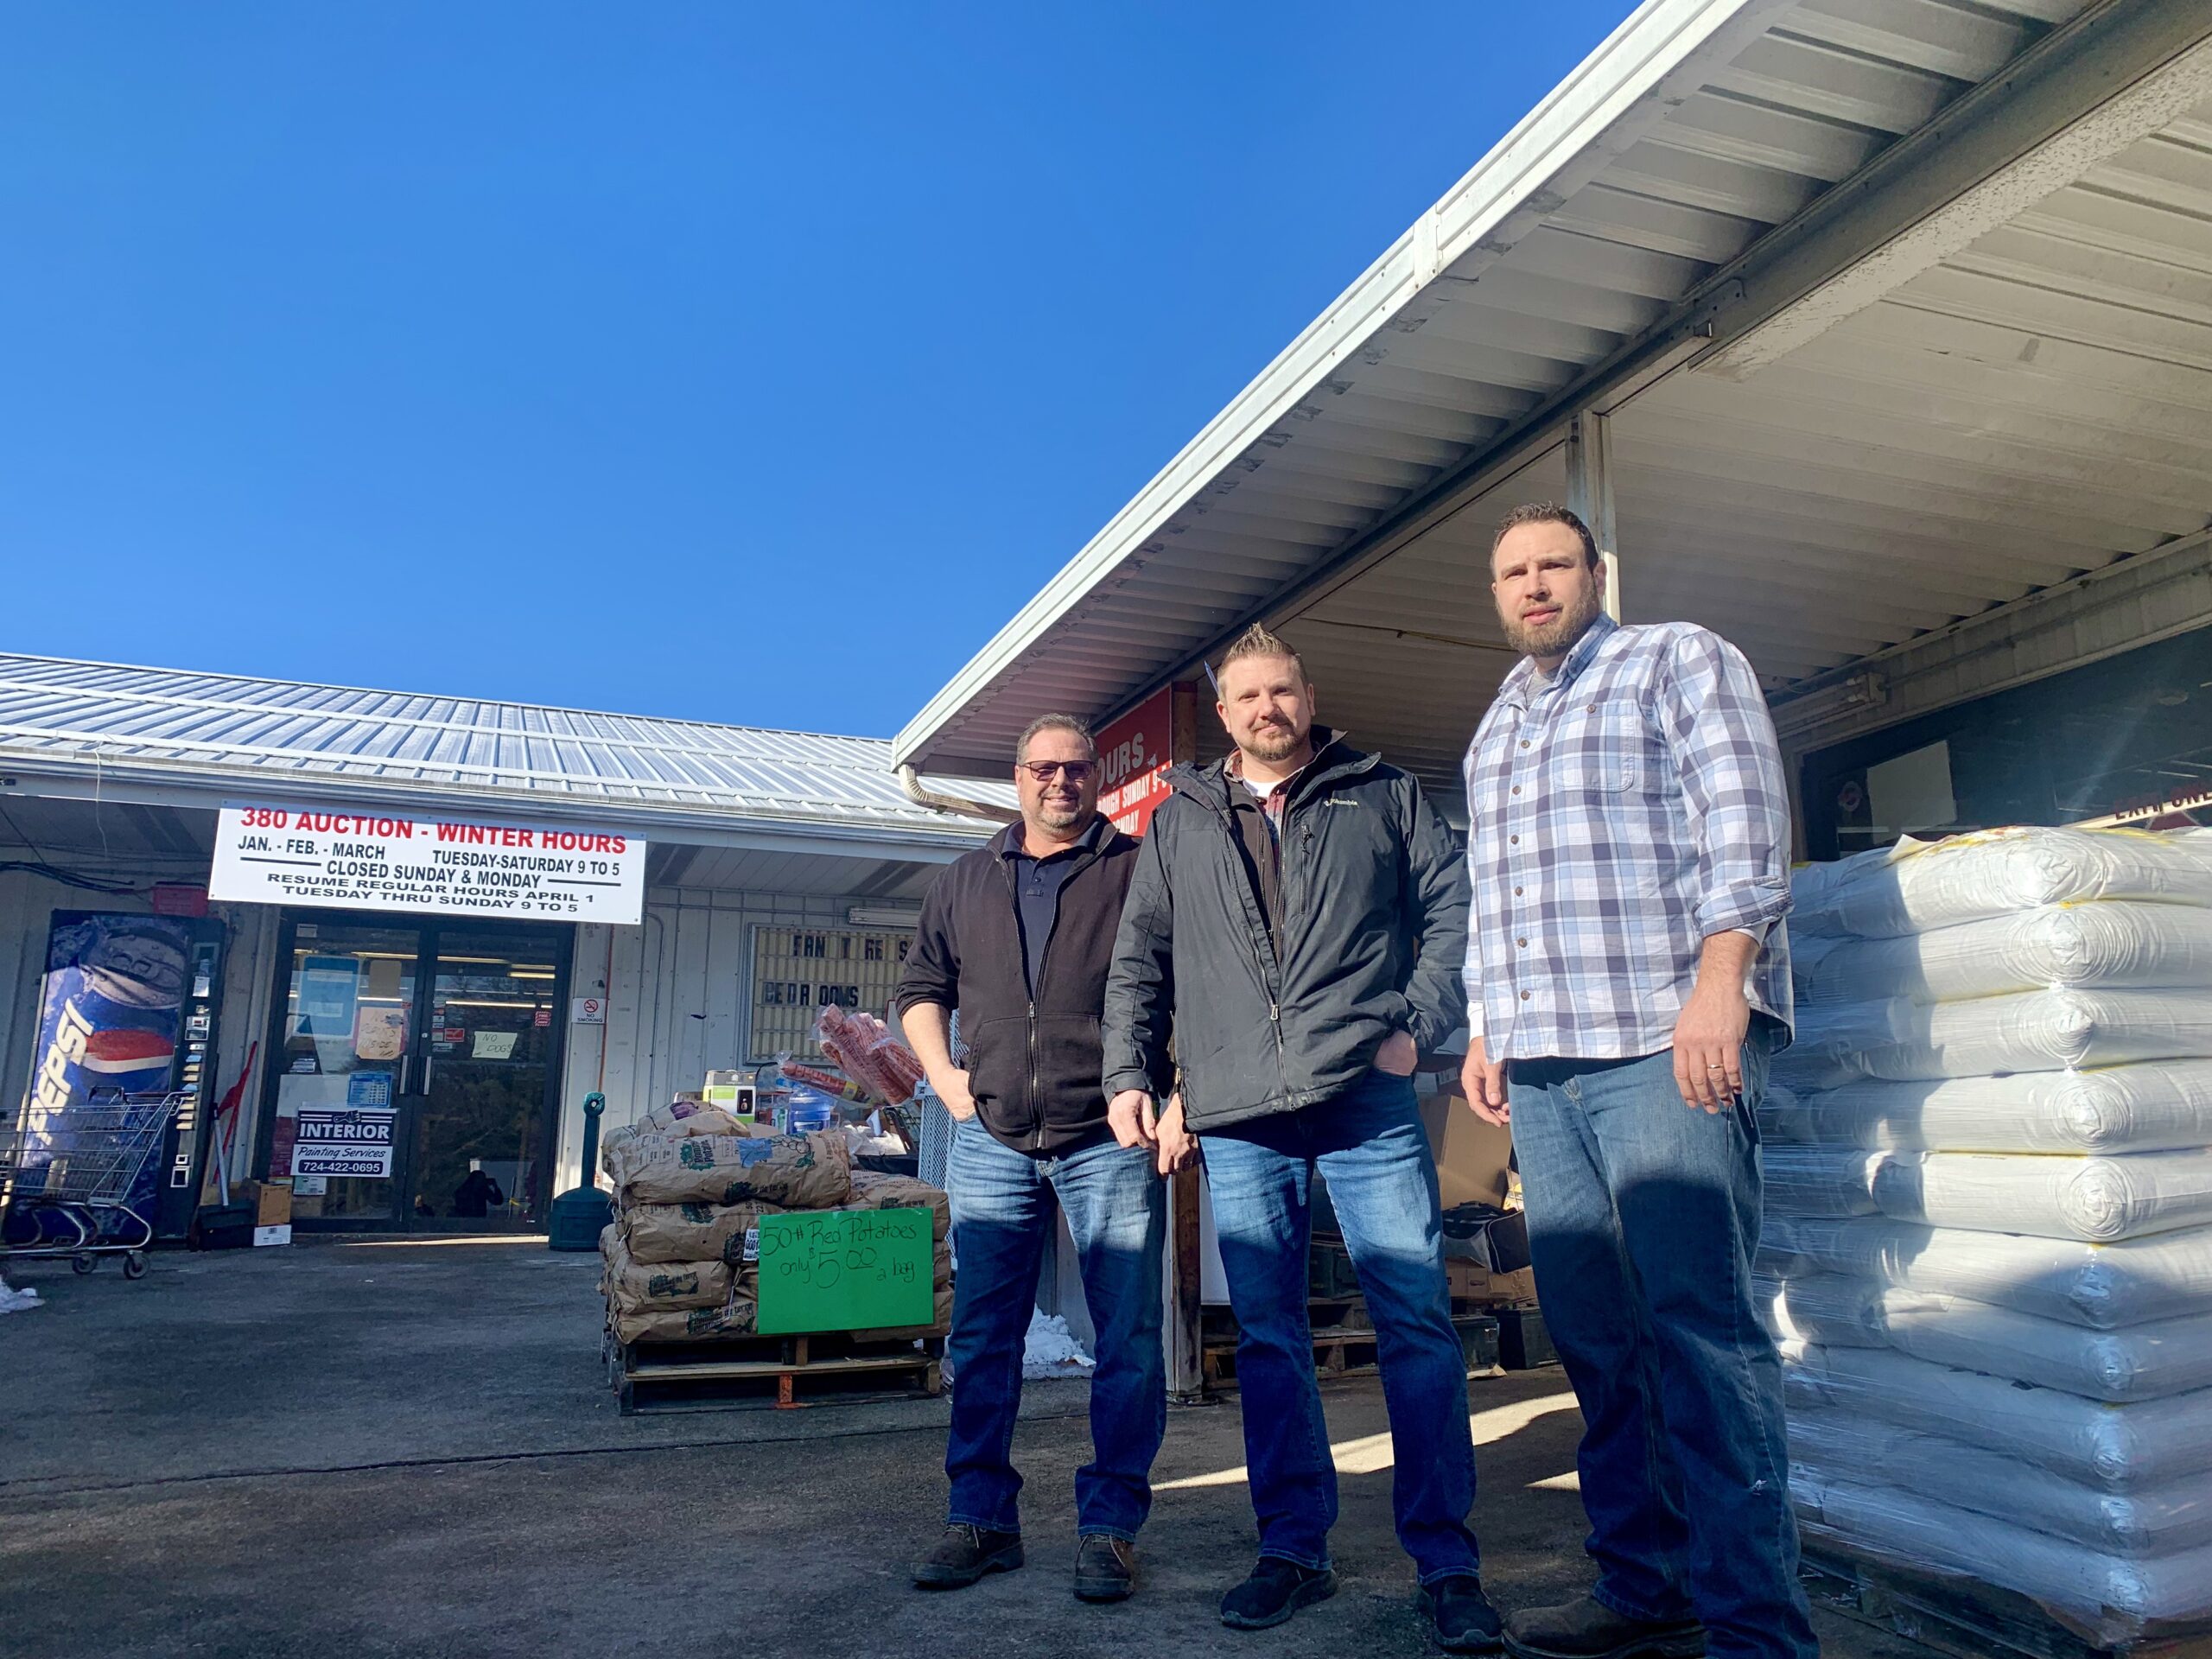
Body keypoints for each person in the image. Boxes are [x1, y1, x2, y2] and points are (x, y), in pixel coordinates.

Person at [1459, 503, 1815, 1659]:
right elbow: (1494, 899)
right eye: (1513, 572)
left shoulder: (1677, 659)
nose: (1534, 585)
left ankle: (1756, 1627)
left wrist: (1723, 986)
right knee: (1598, 1340)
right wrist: (1484, 1026)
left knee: (1699, 1329)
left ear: (1594, 573)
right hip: (1546, 1068)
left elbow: (1743, 823)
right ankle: (1641, 1583)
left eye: (1554, 564)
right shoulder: (1495, 728)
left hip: (1663, 1046)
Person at [1103, 625, 1496, 1651]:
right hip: (1239, 1113)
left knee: (1413, 1321)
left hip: (1365, 1092)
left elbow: (1452, 906)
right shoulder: (1179, 817)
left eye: (1282, 690)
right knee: (1272, 1338)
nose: (1267, 707)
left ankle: (1447, 1564)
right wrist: (1130, 1076)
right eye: (1247, 696)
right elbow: (1141, 958)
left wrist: (1417, 1022)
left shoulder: (1379, 789)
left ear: (1307, 696)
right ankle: (1292, 1549)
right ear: (1223, 712)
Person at [895, 713, 1165, 1605]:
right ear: (1017, 778)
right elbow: (919, 989)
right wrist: (944, 1076)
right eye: (1043, 768)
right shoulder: (966, 879)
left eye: (1076, 768)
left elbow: (1183, 986)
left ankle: (1111, 1527)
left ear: (1096, 779)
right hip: (993, 1138)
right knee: (982, 1339)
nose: (1060, 781)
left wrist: (1177, 1099)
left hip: (1110, 1136)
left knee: (1124, 1338)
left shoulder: (1138, 871)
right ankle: (981, 1520)